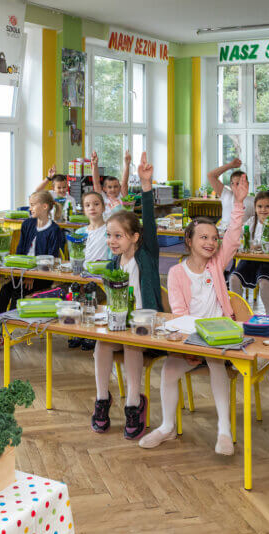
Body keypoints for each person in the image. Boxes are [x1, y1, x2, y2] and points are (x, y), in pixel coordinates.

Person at [139, 175, 249, 455]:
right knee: (168, 370)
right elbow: (179, 315)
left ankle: (224, 430)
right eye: (203, 237)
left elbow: (233, 236)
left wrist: (238, 204)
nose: (210, 242)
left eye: (213, 238)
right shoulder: (177, 272)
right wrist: (189, 347)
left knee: (216, 363)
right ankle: (167, 427)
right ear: (188, 241)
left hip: (220, 339)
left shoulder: (217, 264)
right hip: (192, 339)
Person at [91, 152, 162, 441]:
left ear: (135, 237)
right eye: (109, 236)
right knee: (101, 344)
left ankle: (134, 403)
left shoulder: (147, 256)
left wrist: (145, 186)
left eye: (118, 236)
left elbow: (149, 223)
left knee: (132, 343)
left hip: (147, 328)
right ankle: (102, 399)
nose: (111, 241)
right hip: (120, 326)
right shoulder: (112, 264)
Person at [0, 191, 65, 352]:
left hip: (42, 276)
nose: (30, 208)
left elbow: (49, 259)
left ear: (45, 207)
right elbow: (19, 252)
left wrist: (31, 275)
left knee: (17, 293)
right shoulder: (27, 224)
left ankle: (4, 335)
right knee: (5, 290)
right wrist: (23, 273)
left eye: (33, 205)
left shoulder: (55, 230)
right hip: (23, 273)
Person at [66, 190, 110, 351]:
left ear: (103, 207)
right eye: (88, 205)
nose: (92, 208)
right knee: (74, 293)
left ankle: (90, 333)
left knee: (90, 296)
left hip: (101, 279)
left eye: (96, 204)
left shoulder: (109, 231)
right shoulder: (79, 233)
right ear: (83, 210)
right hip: (81, 277)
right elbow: (75, 258)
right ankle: (78, 330)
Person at [229, 189, 269, 312]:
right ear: (255, 208)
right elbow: (239, 233)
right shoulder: (251, 221)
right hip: (250, 260)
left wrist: (259, 243)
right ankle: (239, 311)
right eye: (259, 206)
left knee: (264, 282)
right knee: (233, 278)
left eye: (267, 206)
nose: (263, 210)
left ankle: (268, 314)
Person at [206, 157, 255, 231]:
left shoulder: (252, 201)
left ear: (247, 184)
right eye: (232, 183)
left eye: (238, 183)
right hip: (223, 232)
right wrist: (230, 165)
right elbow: (211, 175)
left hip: (241, 234)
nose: (235, 186)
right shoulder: (226, 195)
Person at [91, 151, 127, 219]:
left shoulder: (121, 197)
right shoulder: (102, 197)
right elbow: (96, 182)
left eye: (115, 187)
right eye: (109, 187)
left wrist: (127, 164)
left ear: (120, 188)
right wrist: (94, 165)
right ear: (104, 189)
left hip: (119, 224)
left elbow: (125, 182)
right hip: (106, 224)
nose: (113, 189)